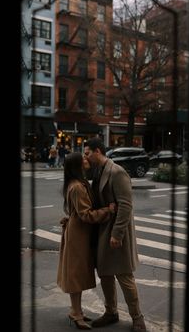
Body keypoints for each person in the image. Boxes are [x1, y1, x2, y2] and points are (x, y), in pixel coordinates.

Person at [83, 137, 146, 332]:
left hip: (117, 233)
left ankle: (138, 318)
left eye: (87, 153)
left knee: (124, 276)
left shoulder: (117, 172)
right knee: (106, 274)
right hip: (103, 231)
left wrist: (117, 234)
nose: (85, 157)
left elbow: (126, 206)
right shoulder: (98, 171)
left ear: (97, 152)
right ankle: (111, 312)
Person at [56, 152, 116, 330]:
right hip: (78, 236)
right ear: (77, 165)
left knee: (79, 274)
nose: (86, 160)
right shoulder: (77, 187)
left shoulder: (78, 184)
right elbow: (86, 215)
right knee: (76, 275)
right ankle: (75, 313)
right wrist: (108, 210)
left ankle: (77, 311)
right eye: (82, 159)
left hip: (80, 233)